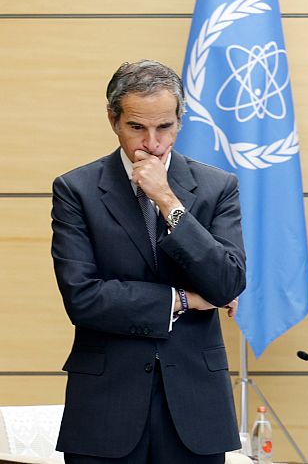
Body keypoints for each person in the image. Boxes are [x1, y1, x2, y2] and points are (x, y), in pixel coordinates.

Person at [51, 60, 246, 463]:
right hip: (106, 404)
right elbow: (83, 298)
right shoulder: (77, 190)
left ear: (180, 120)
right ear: (113, 120)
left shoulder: (217, 187)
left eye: (165, 127)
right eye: (137, 127)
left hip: (195, 405)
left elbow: (227, 284)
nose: (153, 143)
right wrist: (185, 299)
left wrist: (167, 201)